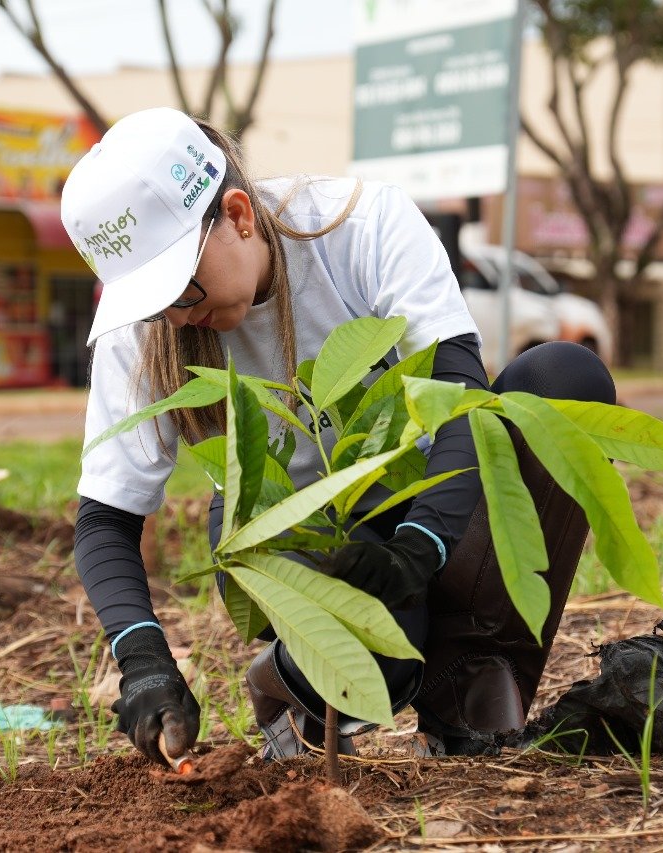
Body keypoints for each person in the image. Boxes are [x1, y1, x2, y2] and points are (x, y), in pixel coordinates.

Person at [62, 107, 616, 767]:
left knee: (564, 379)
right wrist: (142, 655)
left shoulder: (363, 227)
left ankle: (471, 682)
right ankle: (292, 688)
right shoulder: (149, 328)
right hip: (287, 530)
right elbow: (105, 520)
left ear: (239, 215)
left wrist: (421, 543)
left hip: (422, 491)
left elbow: (456, 393)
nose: (179, 317)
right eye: (157, 301)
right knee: (373, 658)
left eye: (182, 286)